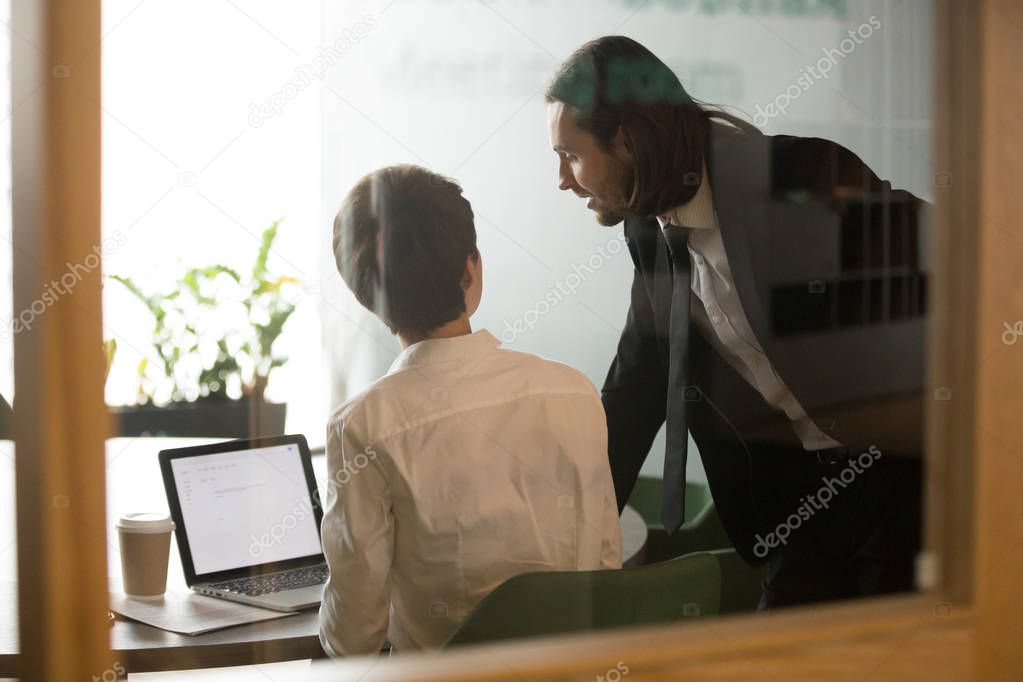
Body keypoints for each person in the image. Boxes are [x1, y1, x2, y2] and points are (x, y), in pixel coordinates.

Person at [546, 36, 926, 609]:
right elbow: (638, 385)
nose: (562, 180)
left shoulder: (801, 175)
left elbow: (948, 262)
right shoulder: (646, 228)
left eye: (570, 155)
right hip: (805, 499)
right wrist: (565, 545)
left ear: (625, 140)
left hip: (907, 483)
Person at [319, 164, 621, 656]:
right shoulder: (574, 391)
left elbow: (355, 636)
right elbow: (607, 570)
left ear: (364, 296)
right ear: (471, 268)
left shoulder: (362, 426)